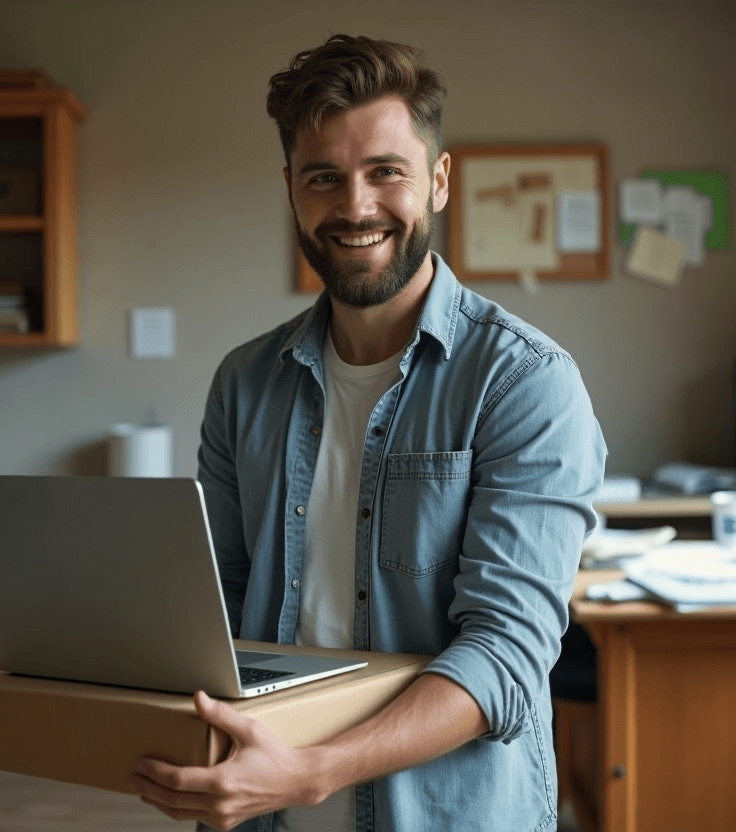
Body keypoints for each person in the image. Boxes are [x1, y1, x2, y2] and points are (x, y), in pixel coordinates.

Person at [130, 33, 606, 832]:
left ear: (439, 181)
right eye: (325, 178)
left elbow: (505, 657)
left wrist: (310, 774)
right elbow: (222, 611)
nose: (355, 207)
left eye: (387, 172)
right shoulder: (244, 384)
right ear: (291, 190)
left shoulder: (526, 382)